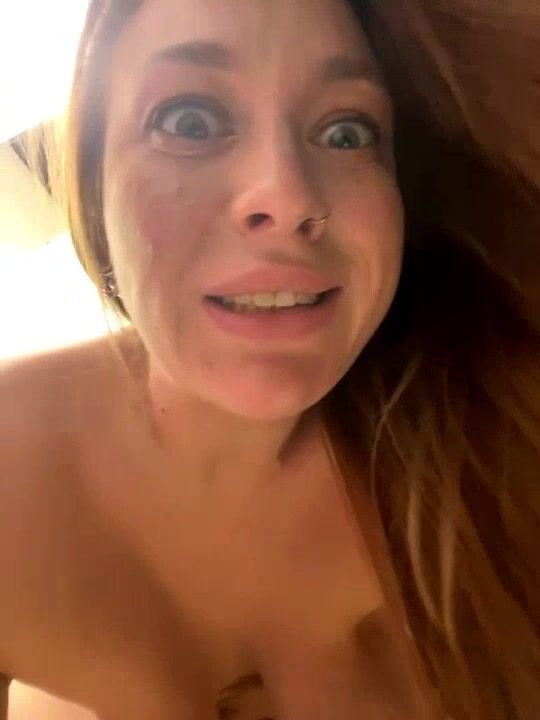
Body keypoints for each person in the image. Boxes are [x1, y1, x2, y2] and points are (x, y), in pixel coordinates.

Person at [1, 0, 539, 718]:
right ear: (94, 187)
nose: (288, 197)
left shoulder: (496, 434)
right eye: (189, 121)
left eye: (347, 132)